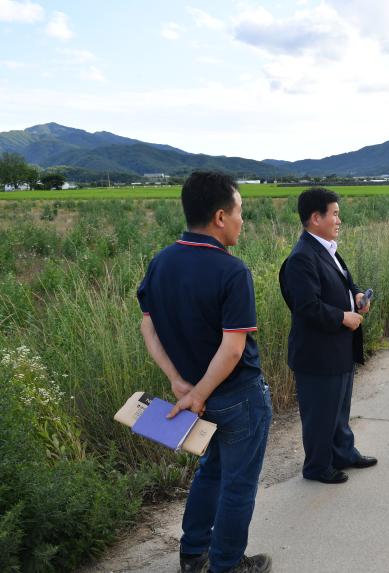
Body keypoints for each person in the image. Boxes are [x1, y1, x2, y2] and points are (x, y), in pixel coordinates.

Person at [137, 171, 272, 573]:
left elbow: (149, 325)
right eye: (239, 212)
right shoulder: (232, 271)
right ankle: (227, 565)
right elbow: (232, 348)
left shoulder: (161, 261)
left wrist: (180, 382)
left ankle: (193, 553)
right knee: (238, 484)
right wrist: (199, 393)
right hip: (237, 396)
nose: (241, 221)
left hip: (194, 395)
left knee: (210, 470)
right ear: (219, 217)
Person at [279, 187, 377, 485]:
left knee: (339, 408)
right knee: (321, 413)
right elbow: (306, 306)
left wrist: (357, 294)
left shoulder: (327, 249)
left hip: (338, 347)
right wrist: (343, 317)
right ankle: (318, 467)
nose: (338, 219)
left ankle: (343, 453)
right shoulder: (301, 258)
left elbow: (344, 281)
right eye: (334, 213)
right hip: (317, 352)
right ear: (315, 217)